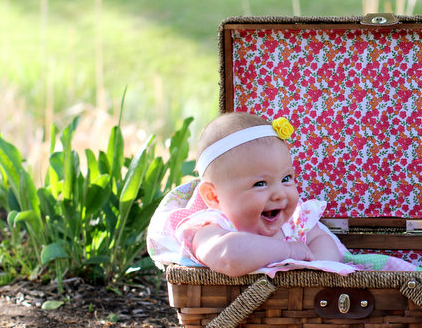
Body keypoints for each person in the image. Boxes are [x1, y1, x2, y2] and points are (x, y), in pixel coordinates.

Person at [147, 112, 346, 278]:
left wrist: (318, 268)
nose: (279, 194)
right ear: (214, 197)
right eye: (260, 184)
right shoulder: (212, 227)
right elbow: (228, 256)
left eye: (286, 178)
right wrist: (287, 251)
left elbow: (322, 240)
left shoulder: (294, 223)